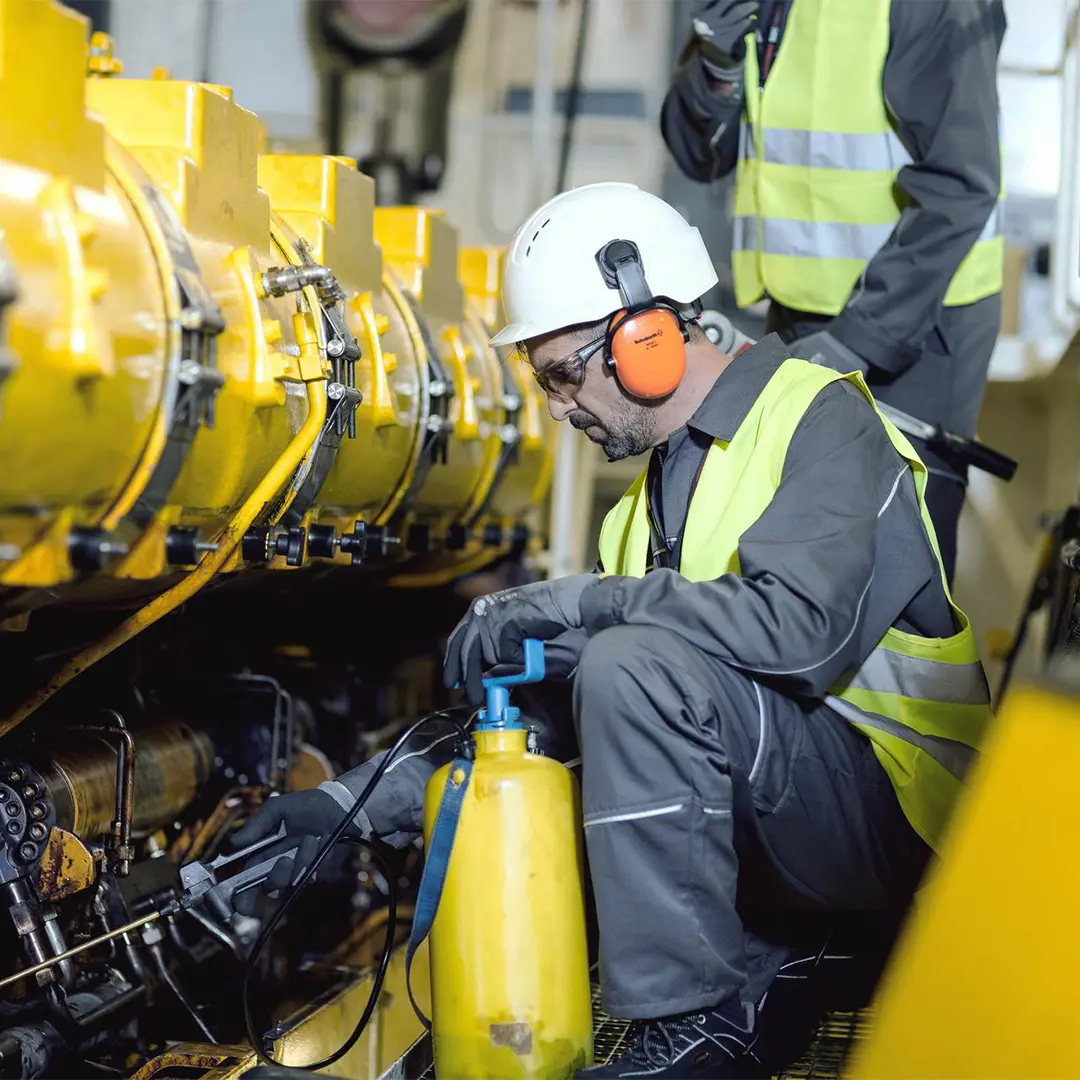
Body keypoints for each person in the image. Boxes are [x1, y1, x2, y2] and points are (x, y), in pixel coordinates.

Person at [230, 183, 992, 1079]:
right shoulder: (638, 515)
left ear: (647, 335)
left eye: (562, 375)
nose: (557, 409)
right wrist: (346, 808)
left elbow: (799, 633)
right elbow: (550, 719)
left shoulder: (820, 420)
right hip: (789, 839)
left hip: (901, 827)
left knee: (629, 664)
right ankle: (776, 965)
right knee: (590, 697)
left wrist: (582, 602)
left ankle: (691, 1023)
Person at [660, 0, 1007, 583]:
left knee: (895, 568)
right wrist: (716, 67)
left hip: (916, 321)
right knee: (793, 552)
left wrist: (858, 338)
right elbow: (701, 155)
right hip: (798, 312)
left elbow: (960, 185)